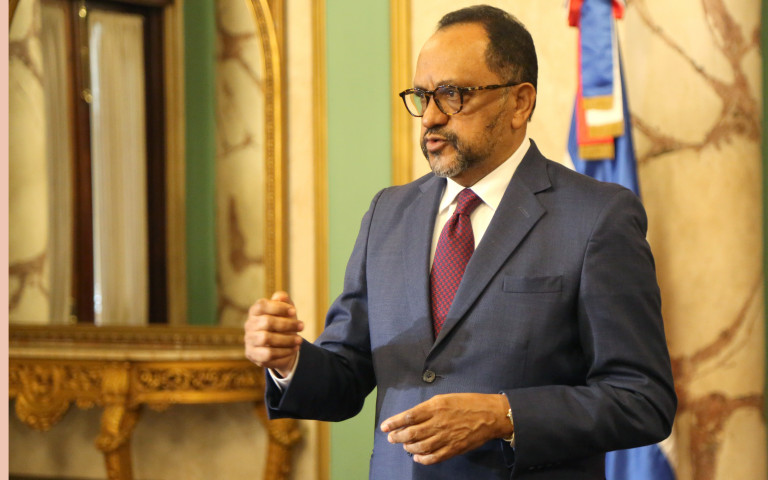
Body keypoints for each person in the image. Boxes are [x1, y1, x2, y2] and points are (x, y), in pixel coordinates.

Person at [244, 5, 676, 479]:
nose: (430, 117)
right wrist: (290, 360)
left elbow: (642, 399)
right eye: (421, 96)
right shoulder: (388, 214)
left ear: (519, 103)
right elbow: (346, 376)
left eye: (453, 95)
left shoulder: (596, 217)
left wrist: (504, 415)